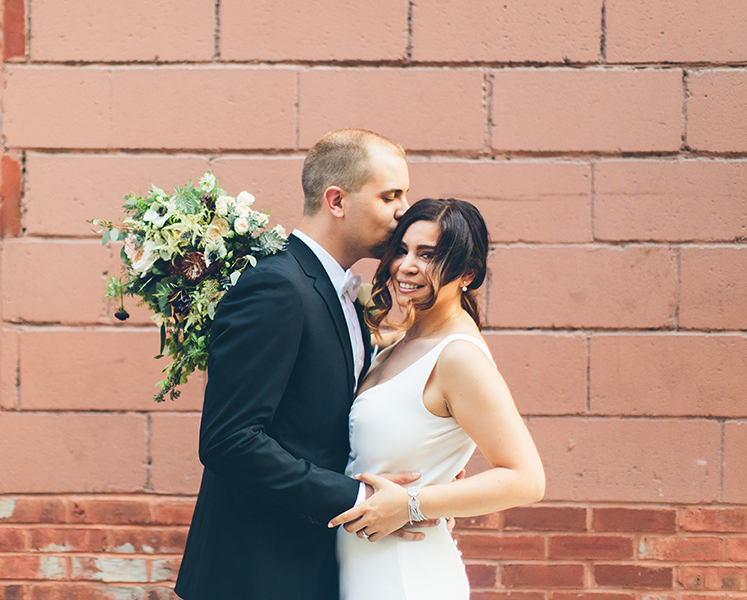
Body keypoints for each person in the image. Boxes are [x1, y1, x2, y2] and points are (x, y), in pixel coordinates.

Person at [175, 130, 427, 600]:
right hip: (255, 575)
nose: (403, 210)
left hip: (311, 568)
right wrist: (357, 499)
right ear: (337, 200)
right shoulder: (277, 287)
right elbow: (229, 440)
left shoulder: (346, 295)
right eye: (390, 195)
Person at [328, 197, 546, 599]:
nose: (406, 265)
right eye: (403, 250)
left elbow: (526, 479)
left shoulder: (459, 356)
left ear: (467, 273)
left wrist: (414, 503)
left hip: (407, 575)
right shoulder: (401, 343)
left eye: (427, 255)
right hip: (363, 568)